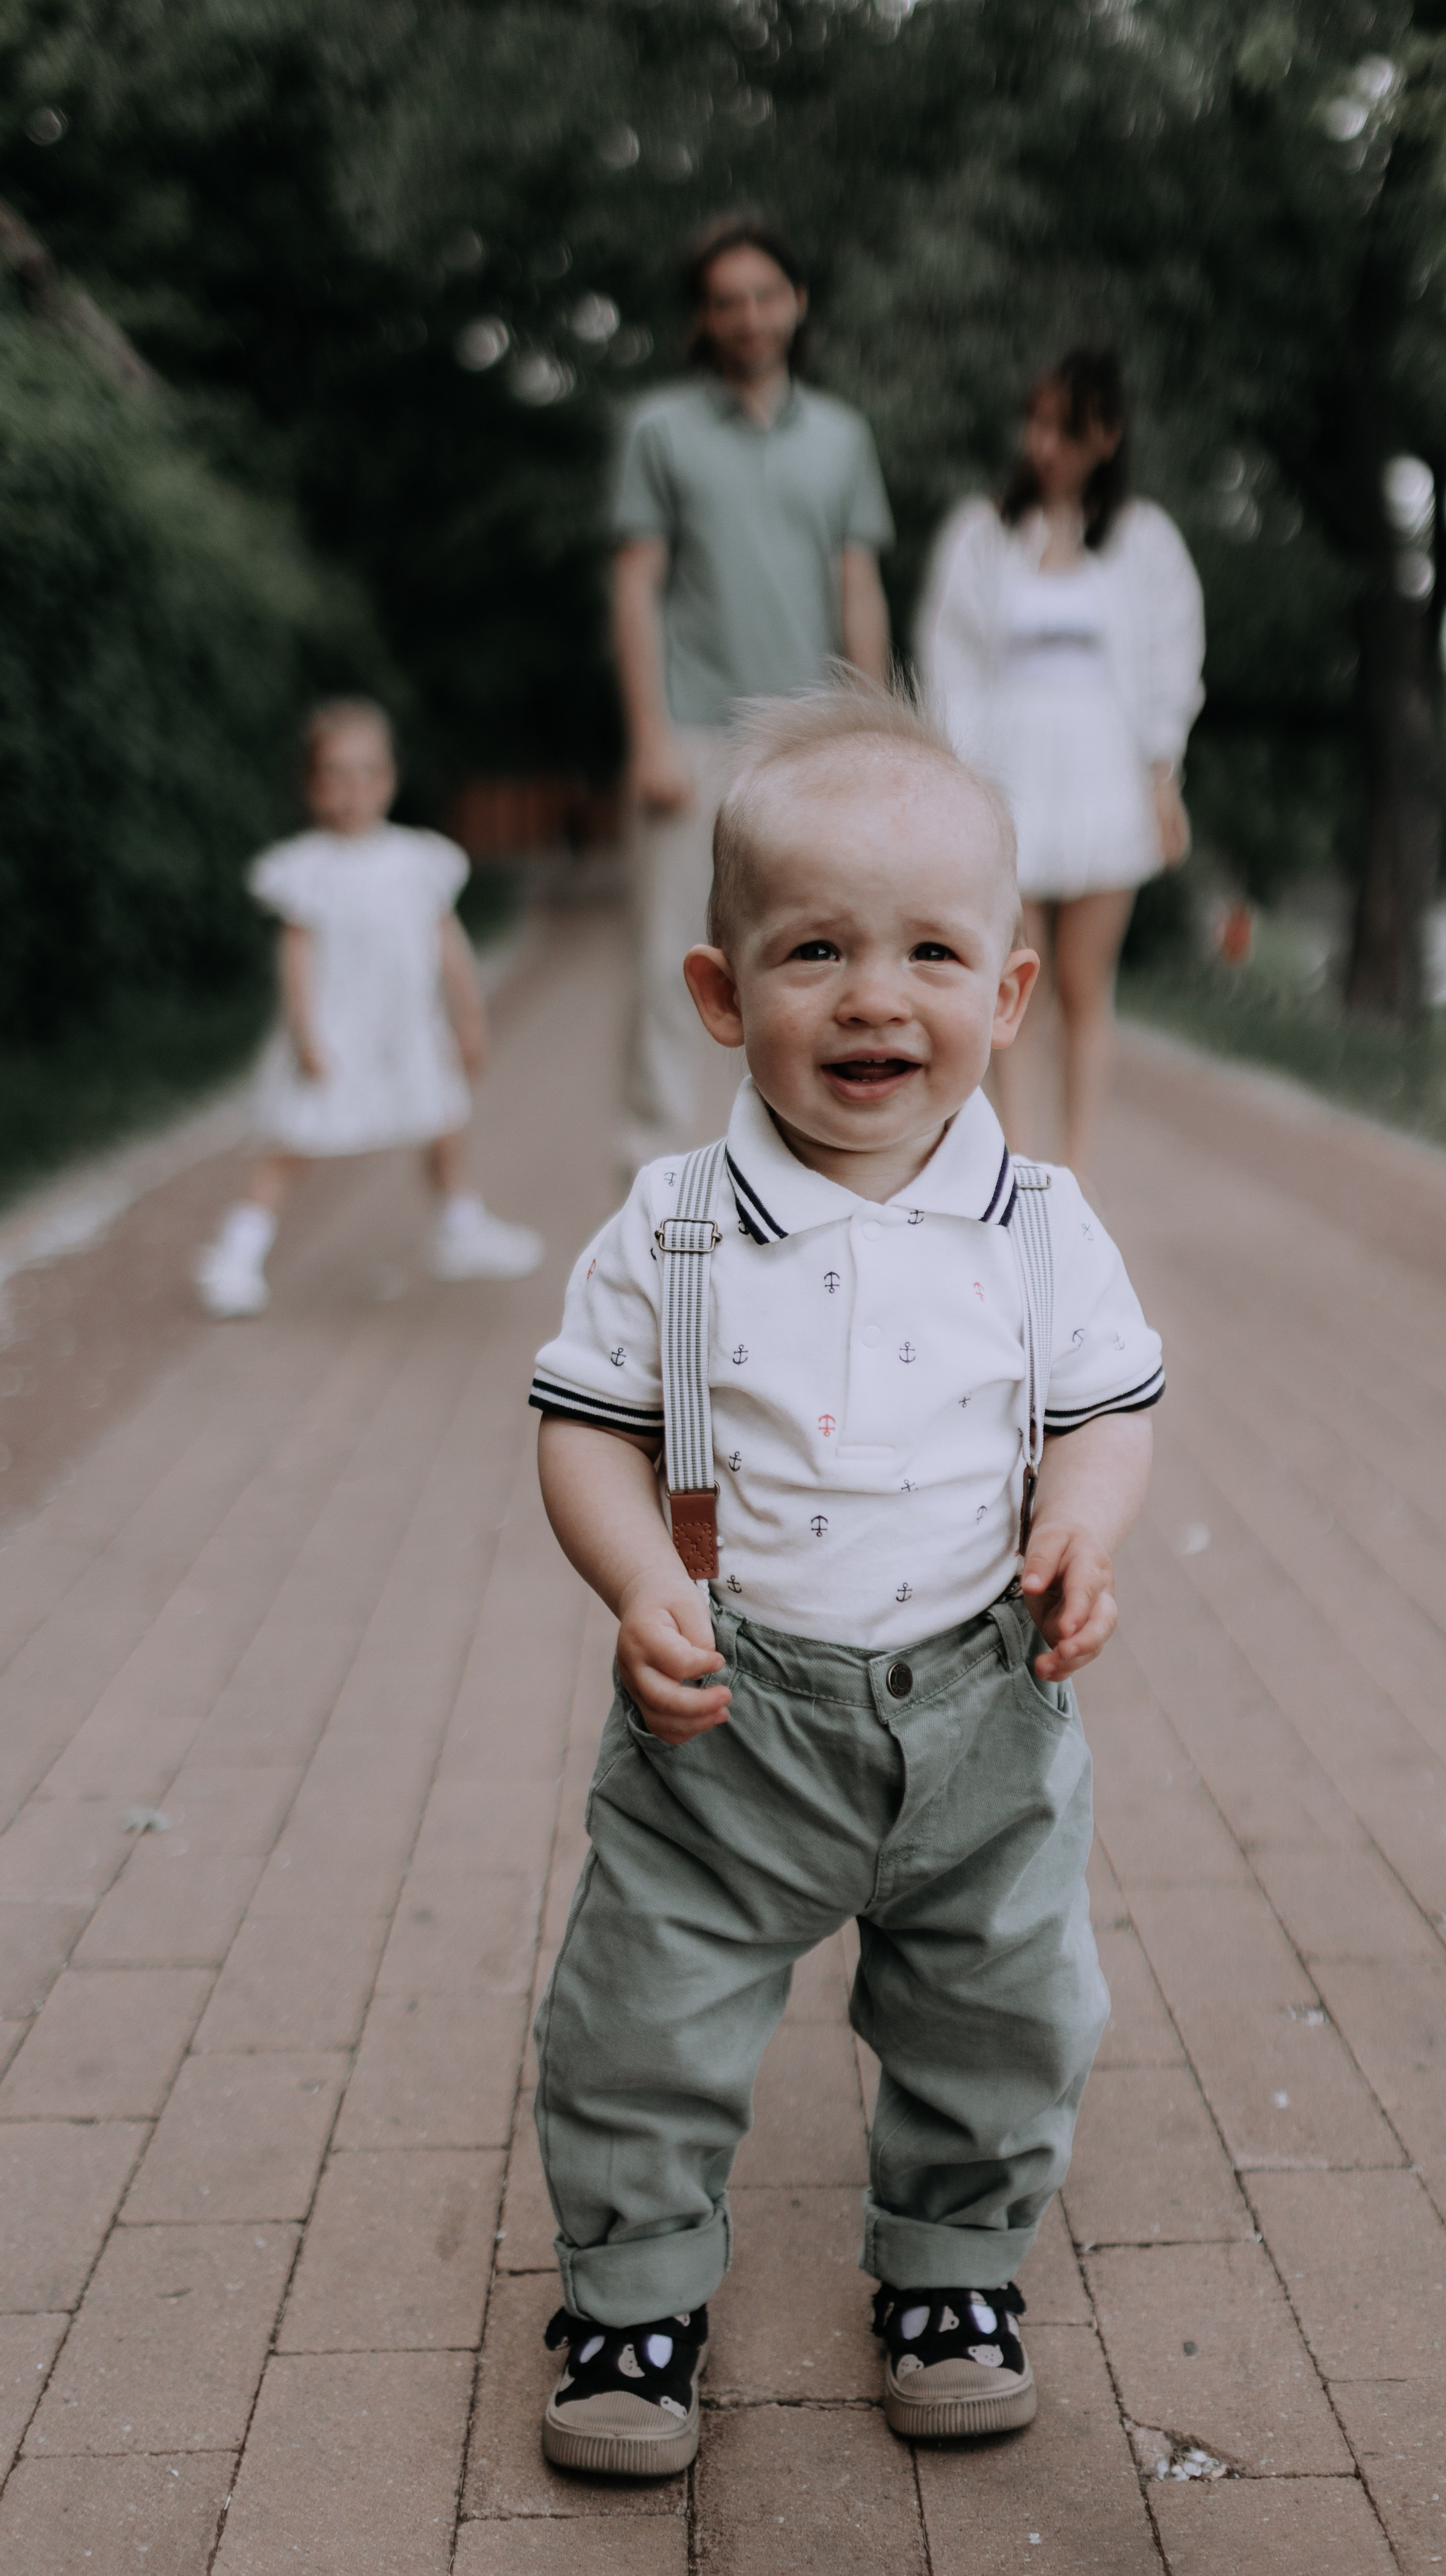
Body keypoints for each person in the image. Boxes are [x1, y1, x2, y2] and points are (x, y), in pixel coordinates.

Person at [526, 679, 1163, 2477]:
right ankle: (633, 2291)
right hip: (730, 1720)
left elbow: (1112, 1411)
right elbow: (582, 1432)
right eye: (815, 950)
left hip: (983, 1712)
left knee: (1005, 2008)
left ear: (1007, 994)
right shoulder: (668, 1227)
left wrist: (1084, 1522)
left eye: (932, 953)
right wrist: (638, 1574)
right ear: (725, 995)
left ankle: (954, 2266)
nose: (877, 997)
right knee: (641, 2010)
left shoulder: (1042, 1223)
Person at [610, 212, 895, 1176]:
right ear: (705, 318)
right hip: (693, 731)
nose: (749, 315)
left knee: (814, 955)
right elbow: (636, 585)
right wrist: (648, 733)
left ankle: (799, 1162)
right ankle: (652, 1176)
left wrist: (872, 733)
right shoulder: (661, 431)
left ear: (796, 303)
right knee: (668, 963)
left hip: (808, 744)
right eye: (727, 299)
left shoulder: (843, 437)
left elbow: (858, 586)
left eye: (765, 294)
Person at [917, 346, 1205, 1175]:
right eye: (1035, 423)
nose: (1043, 444)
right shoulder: (981, 534)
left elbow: (1170, 660)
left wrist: (1163, 775)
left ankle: (1073, 1171)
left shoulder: (1146, 542)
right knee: (1014, 980)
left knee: (1083, 986)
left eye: (1065, 429)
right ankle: (1016, 1157)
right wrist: (959, 778)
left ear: (1106, 436)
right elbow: (951, 661)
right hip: (1009, 779)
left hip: (1105, 782)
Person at [194, 698, 542, 1318]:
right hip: (336, 1032)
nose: (354, 788)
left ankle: (461, 1227)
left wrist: (469, 1016)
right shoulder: (308, 869)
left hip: (407, 1029)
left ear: (390, 778)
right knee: (295, 1141)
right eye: (335, 772)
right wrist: (306, 1034)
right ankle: (236, 1251)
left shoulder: (418, 860)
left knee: (442, 1121)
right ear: (311, 784)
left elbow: (448, 944)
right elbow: (297, 957)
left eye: (368, 771)